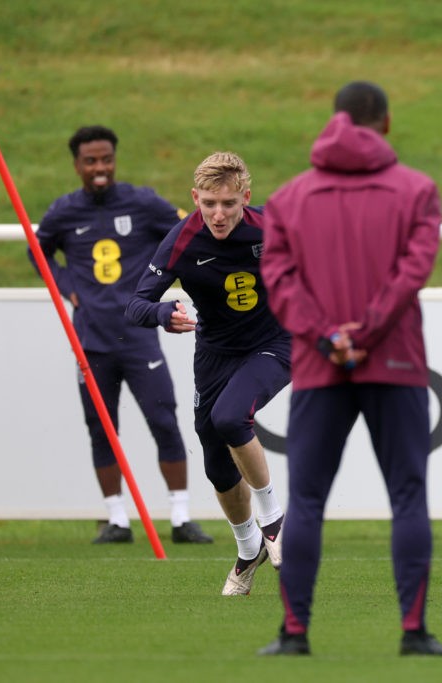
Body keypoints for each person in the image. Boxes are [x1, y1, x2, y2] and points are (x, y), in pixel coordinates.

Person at [257, 81, 442, 657]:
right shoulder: (417, 191)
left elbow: (280, 281)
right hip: (394, 360)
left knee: (309, 500)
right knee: (408, 495)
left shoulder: (290, 198)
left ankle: (294, 635)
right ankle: (413, 632)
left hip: (321, 366)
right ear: (385, 123)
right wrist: (363, 333)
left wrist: (326, 336)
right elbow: (411, 273)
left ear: (335, 119)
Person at [32, 125, 213, 545]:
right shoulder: (63, 211)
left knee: (164, 421)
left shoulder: (143, 202)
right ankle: (116, 519)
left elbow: (183, 236)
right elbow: (36, 249)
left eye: (106, 159)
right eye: (90, 161)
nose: (100, 168)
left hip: (138, 336)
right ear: (76, 164)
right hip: (90, 340)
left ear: (115, 160)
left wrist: (169, 283)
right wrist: (65, 285)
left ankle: (181, 517)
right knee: (101, 427)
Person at [126, 151, 289, 595]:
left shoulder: (274, 229)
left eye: (229, 204)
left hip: (274, 343)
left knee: (231, 417)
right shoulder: (182, 238)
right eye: (209, 204)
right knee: (217, 465)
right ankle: (247, 549)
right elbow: (136, 303)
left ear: (247, 199)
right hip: (215, 353)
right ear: (195, 198)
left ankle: (274, 521)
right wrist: (163, 313)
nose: (218, 214)